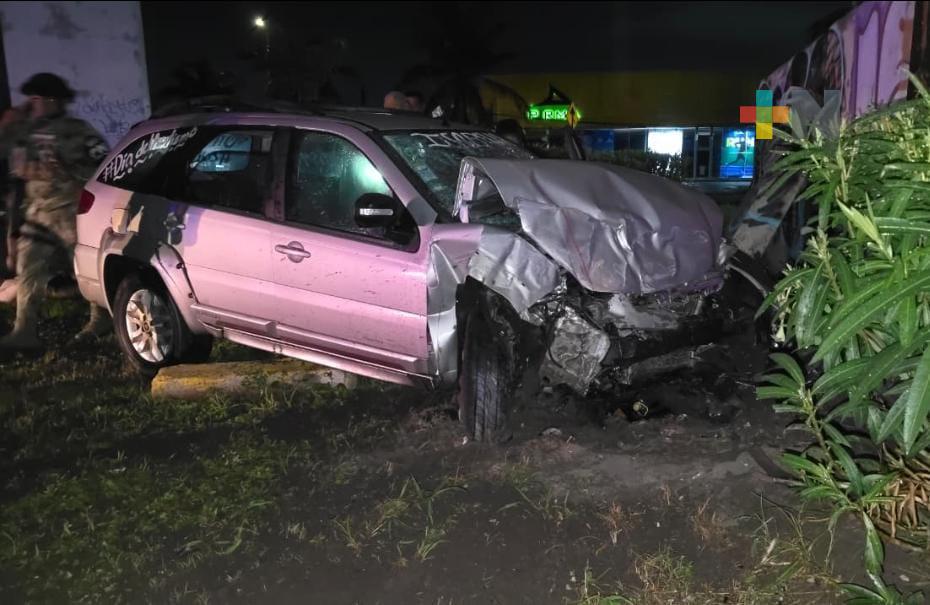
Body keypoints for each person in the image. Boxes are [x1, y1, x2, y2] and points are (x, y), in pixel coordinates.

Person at [0, 73, 111, 355]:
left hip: (72, 210)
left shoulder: (77, 131)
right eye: (31, 99)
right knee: (29, 267)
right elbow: (14, 169)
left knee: (86, 267)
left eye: (38, 99)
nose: (33, 104)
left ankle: (101, 320)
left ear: (54, 101)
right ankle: (24, 331)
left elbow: (102, 164)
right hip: (38, 213)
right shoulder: (24, 132)